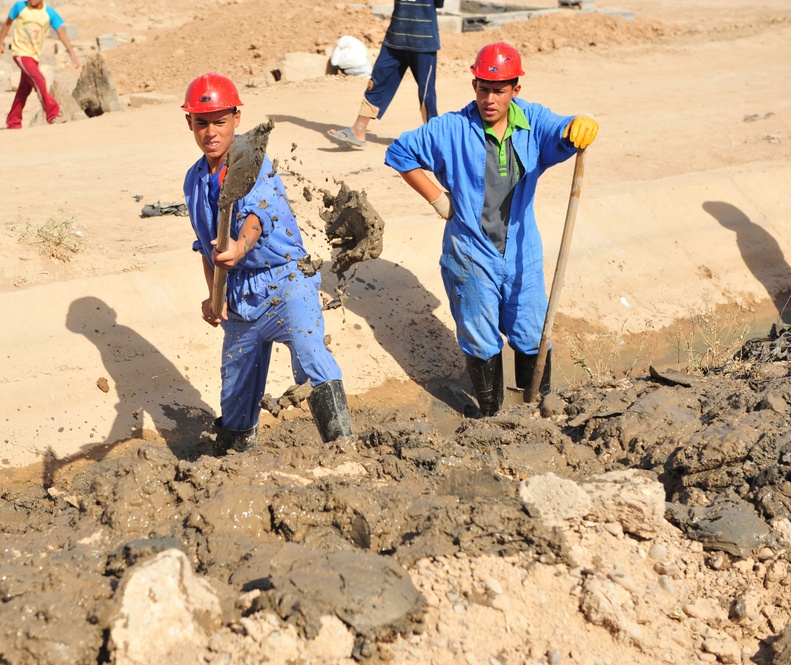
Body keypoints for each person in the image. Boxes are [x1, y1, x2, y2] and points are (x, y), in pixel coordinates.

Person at [384, 42, 599, 416]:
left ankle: (533, 410)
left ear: (515, 90)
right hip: (470, 252)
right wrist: (438, 198)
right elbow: (400, 152)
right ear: (474, 86)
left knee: (533, 333)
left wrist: (577, 125)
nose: (489, 99)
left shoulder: (530, 122)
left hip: (520, 249)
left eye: (499, 91)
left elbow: (561, 130)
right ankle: (492, 415)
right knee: (481, 340)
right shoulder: (451, 128)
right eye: (483, 88)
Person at [181, 73, 353, 454]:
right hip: (240, 295)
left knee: (312, 358)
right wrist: (215, 296)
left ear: (237, 119)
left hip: (287, 280)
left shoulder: (253, 162)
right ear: (189, 123)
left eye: (220, 122)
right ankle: (233, 461)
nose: (211, 132)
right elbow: (207, 248)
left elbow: (258, 217)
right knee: (236, 390)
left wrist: (240, 248)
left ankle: (345, 452)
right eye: (202, 123)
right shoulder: (193, 181)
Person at [328, 0, 445, 149]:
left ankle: (435, 139)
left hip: (423, 42)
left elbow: (439, 3)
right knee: (376, 83)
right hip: (394, 39)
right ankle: (358, 130)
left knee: (426, 93)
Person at [0, 0, 80, 129]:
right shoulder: (20, 6)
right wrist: (0, 43)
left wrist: (72, 53)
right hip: (20, 53)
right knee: (39, 79)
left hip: (34, 56)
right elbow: (8, 23)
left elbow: (61, 32)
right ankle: (53, 115)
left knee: (24, 89)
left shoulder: (49, 13)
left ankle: (13, 121)